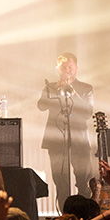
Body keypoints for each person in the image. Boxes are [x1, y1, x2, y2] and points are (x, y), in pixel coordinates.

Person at [37, 52, 95, 209]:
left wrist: (73, 93)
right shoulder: (50, 87)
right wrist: (53, 91)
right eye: (64, 68)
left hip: (80, 141)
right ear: (58, 69)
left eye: (70, 67)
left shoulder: (86, 88)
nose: (67, 71)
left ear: (76, 68)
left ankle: (85, 214)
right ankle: (65, 214)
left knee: (84, 182)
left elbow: (87, 113)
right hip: (56, 141)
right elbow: (41, 106)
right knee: (61, 182)